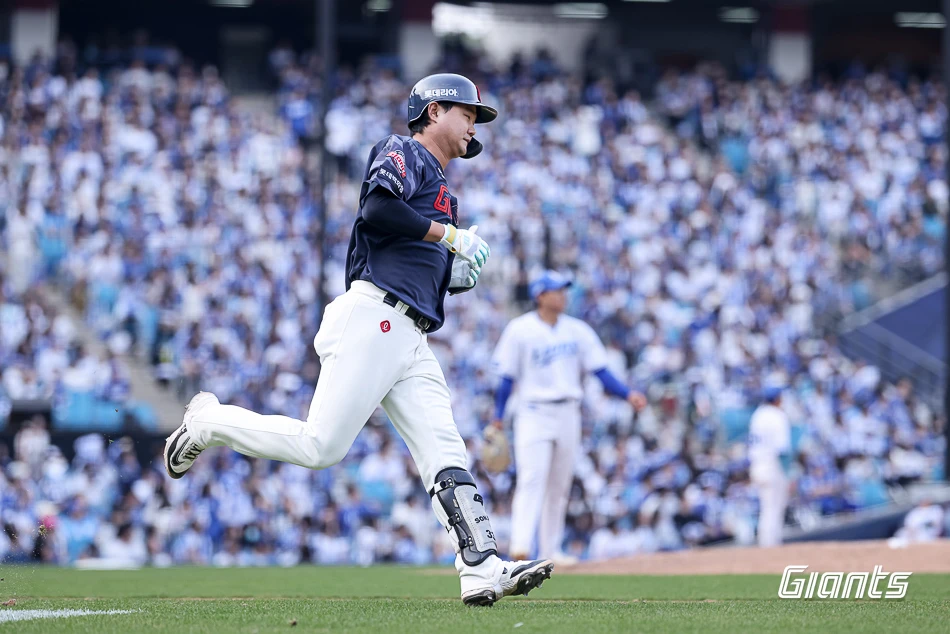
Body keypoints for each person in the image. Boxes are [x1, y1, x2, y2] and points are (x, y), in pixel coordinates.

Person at [164, 73, 553, 606]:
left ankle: (480, 566)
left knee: (445, 450)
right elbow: (377, 210)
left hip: (410, 331)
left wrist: (454, 274)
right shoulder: (402, 150)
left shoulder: (445, 193)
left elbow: (418, 260)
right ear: (434, 111)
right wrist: (449, 238)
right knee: (320, 447)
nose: (473, 125)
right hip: (375, 317)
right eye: (467, 113)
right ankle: (207, 421)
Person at [490, 270, 647, 564]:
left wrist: (628, 394)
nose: (563, 295)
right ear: (540, 295)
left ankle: (550, 551)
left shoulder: (577, 330)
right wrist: (498, 416)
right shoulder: (520, 329)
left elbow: (600, 371)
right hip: (534, 412)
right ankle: (521, 547)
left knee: (559, 485)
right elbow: (506, 378)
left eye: (564, 290)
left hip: (568, 413)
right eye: (556, 290)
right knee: (532, 478)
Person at [748, 380, 792, 547]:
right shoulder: (777, 416)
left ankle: (766, 545)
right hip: (772, 465)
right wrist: (789, 472)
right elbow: (782, 449)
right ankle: (770, 547)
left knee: (766, 507)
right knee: (774, 508)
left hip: (756, 465)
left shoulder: (758, 414)